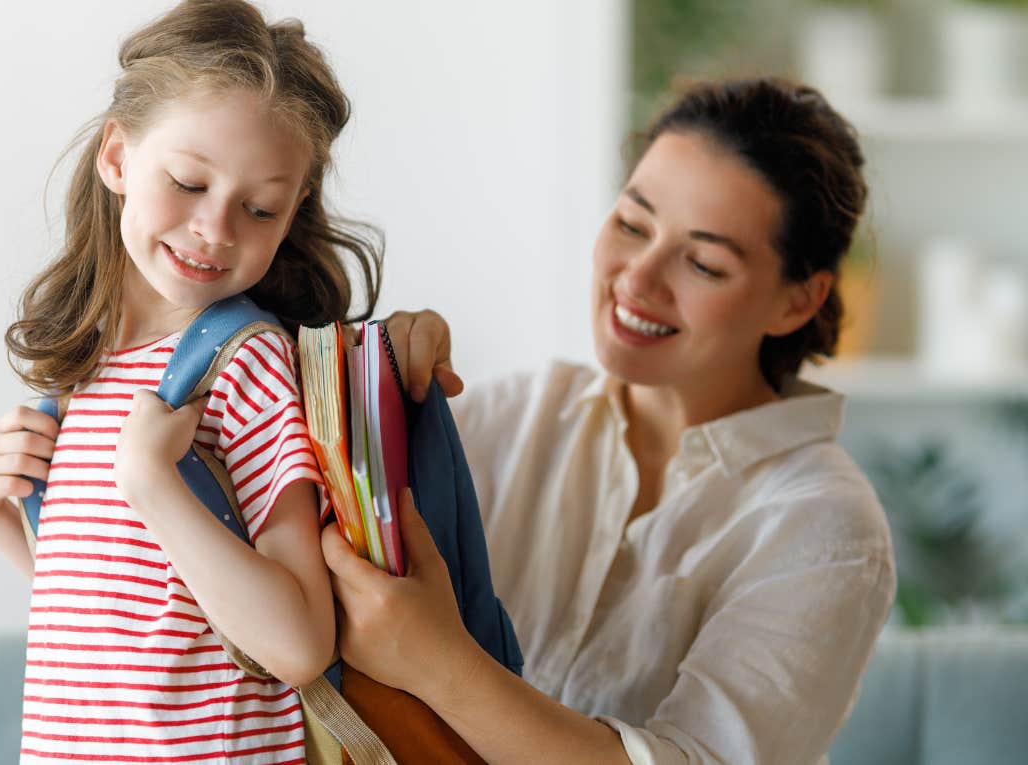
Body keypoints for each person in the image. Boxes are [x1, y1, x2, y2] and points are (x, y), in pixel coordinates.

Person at [324, 77, 897, 764]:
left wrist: (437, 661)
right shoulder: (512, 418)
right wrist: (379, 381)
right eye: (632, 223)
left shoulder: (824, 527)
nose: (639, 278)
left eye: (705, 263)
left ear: (798, 301)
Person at [0, 1, 382, 762]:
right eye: (187, 182)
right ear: (116, 156)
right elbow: (122, 621)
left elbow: (298, 642)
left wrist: (153, 480)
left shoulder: (244, 365)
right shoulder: (88, 371)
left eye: (259, 207)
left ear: (292, 215)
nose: (217, 228)